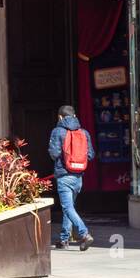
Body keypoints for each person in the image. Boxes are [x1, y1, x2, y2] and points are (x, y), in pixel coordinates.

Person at [48, 105, 95, 251]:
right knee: (69, 208)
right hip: (78, 176)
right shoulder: (84, 132)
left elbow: (54, 153)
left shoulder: (57, 131)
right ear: (75, 116)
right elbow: (90, 155)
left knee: (67, 208)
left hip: (64, 175)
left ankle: (84, 233)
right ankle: (64, 239)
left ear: (60, 117)